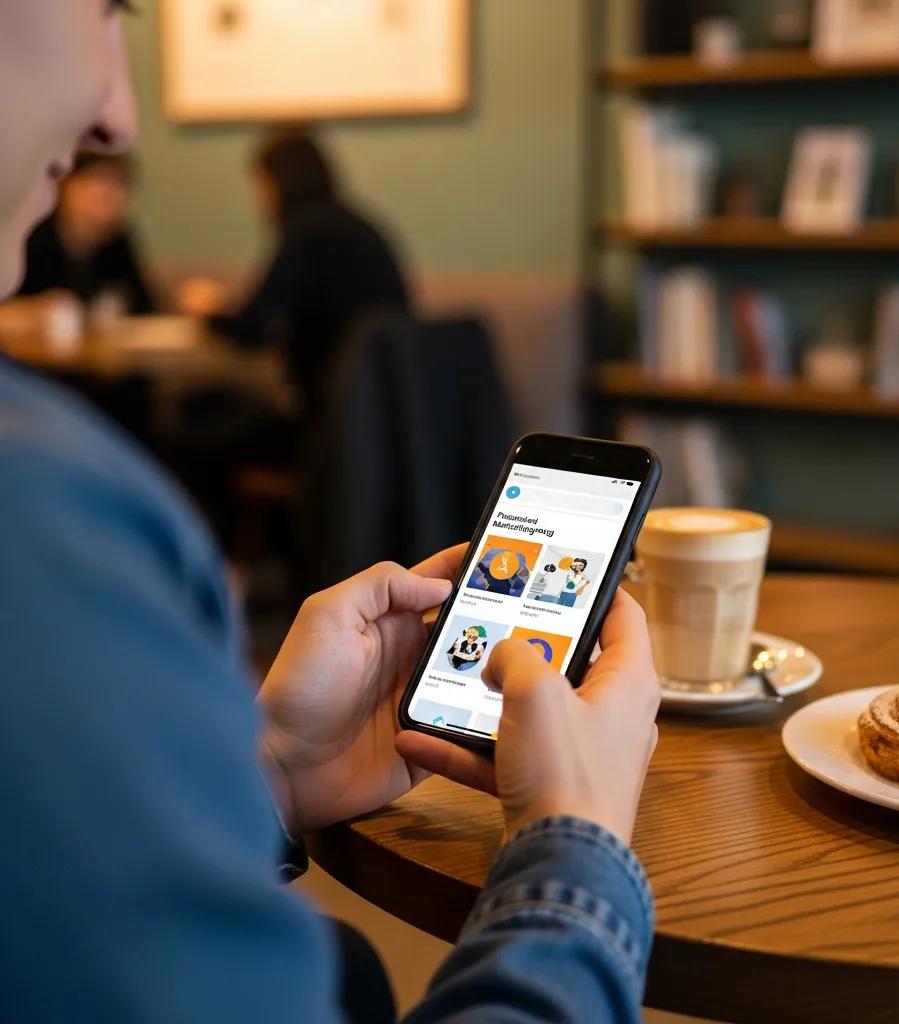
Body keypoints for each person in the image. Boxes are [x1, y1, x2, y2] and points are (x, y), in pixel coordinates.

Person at [0, 4, 661, 1023]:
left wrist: (262, 772)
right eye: (107, 14)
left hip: (324, 440)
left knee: (203, 438)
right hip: (349, 437)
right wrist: (578, 848)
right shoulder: (45, 527)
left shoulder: (48, 513)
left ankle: (237, 561)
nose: (122, 116)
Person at [179, 129, 410, 415]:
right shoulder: (358, 225)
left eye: (259, 185)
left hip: (332, 414)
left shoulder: (305, 233)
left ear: (277, 184)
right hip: (384, 406)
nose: (256, 199)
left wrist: (208, 311)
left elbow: (254, 331)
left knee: (196, 413)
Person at [2, 150, 153, 334]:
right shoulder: (31, 235)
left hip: (97, 355)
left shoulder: (118, 240)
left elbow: (145, 307)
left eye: (117, 187)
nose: (109, 197)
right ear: (65, 187)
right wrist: (31, 312)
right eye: (98, 184)